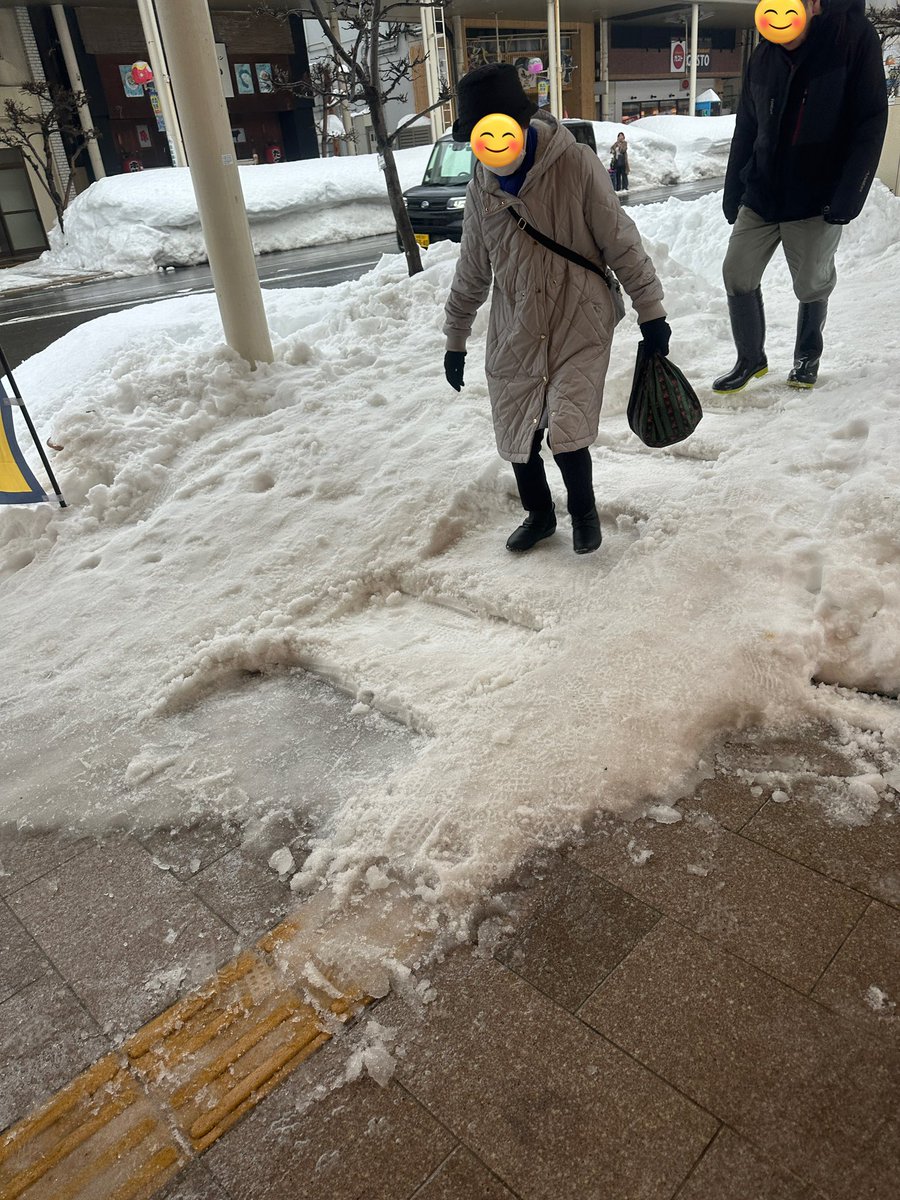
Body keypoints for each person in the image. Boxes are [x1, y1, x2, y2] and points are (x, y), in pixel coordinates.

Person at [443, 63, 670, 555]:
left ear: (521, 123)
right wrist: (455, 338)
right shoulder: (480, 191)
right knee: (518, 422)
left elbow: (620, 241)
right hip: (516, 326)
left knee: (566, 426)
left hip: (579, 316)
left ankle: (584, 514)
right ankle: (540, 515)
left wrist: (651, 312)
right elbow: (472, 271)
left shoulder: (575, 164)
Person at [714, 0, 887, 393]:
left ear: (815, 5)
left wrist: (851, 191)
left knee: (811, 282)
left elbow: (871, 119)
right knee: (736, 272)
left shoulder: (851, 41)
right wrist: (733, 190)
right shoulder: (762, 56)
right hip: (762, 193)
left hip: (816, 196)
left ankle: (807, 356)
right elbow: (747, 125)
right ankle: (750, 358)